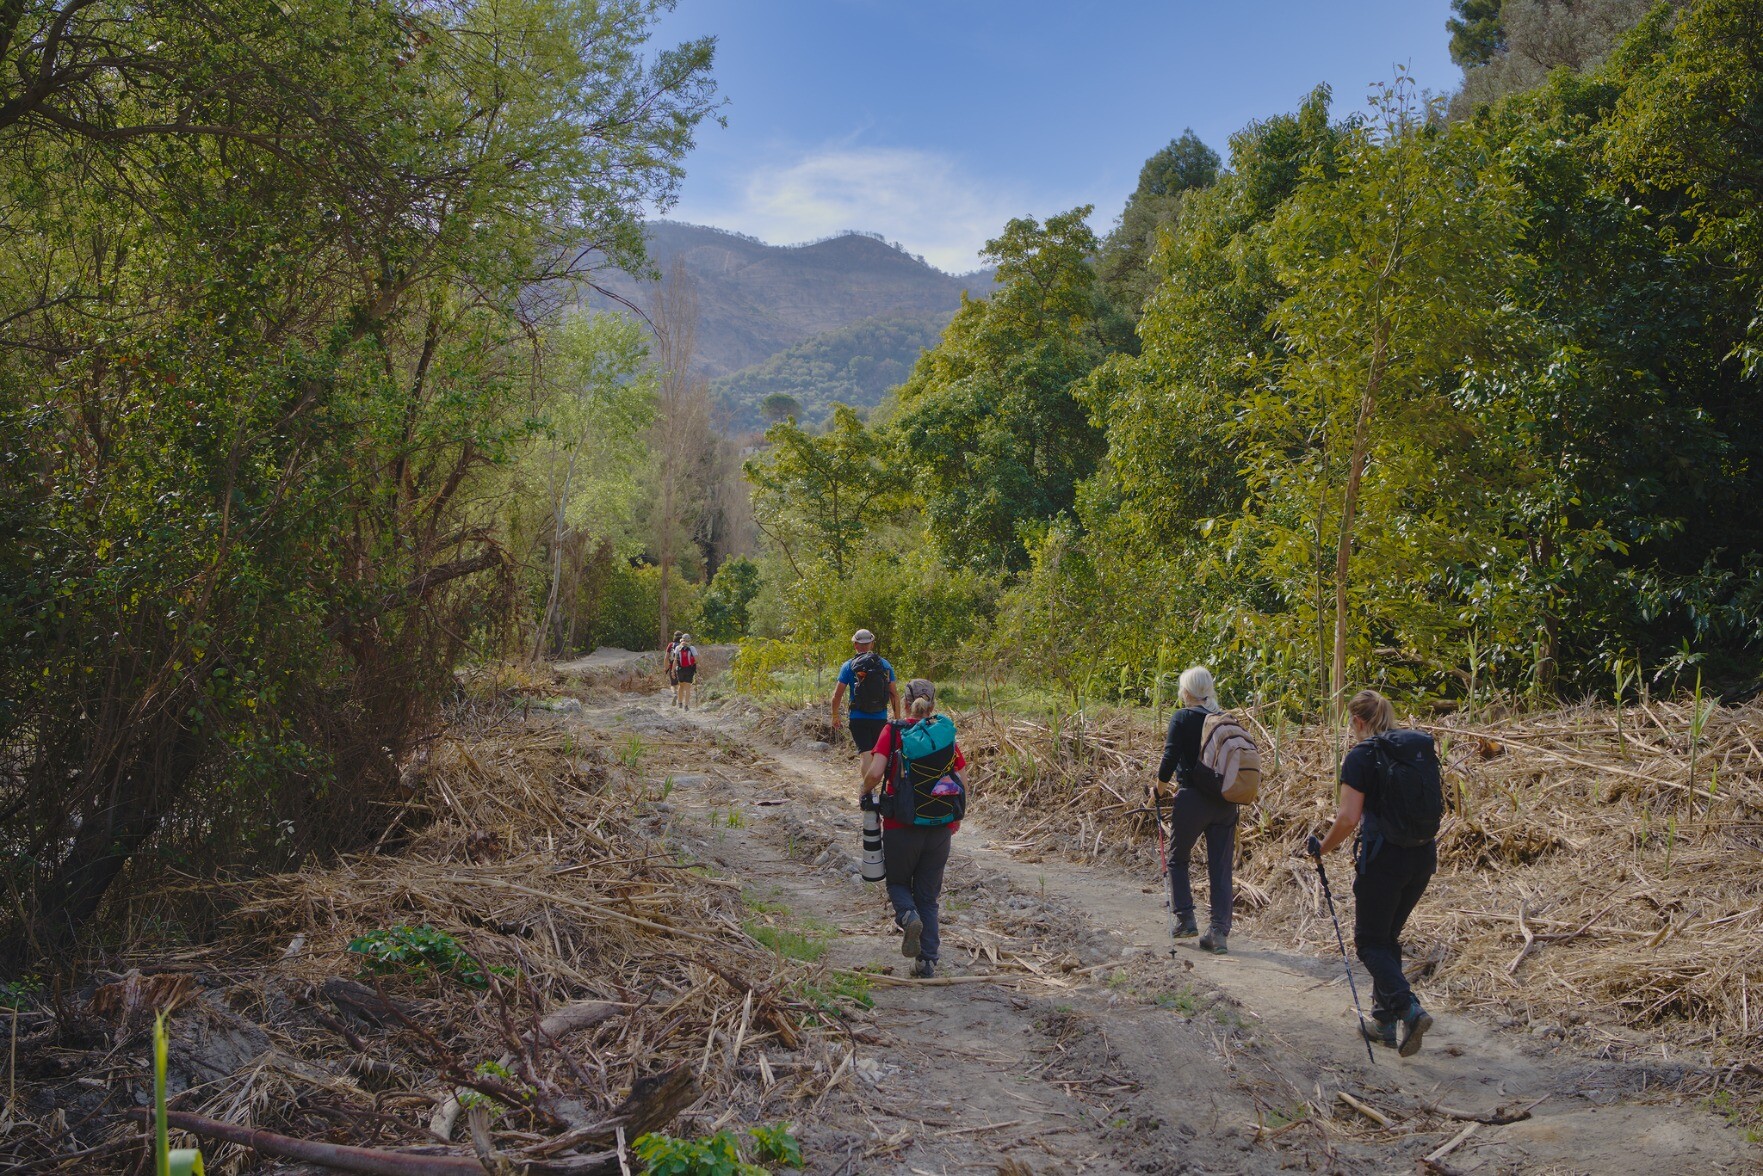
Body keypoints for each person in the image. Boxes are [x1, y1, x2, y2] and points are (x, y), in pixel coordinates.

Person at [1306, 688, 1441, 1057]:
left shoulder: (1362, 757)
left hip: (1384, 861)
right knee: (1387, 938)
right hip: (1422, 855)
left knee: (1369, 942)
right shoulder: (1415, 749)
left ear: (1358, 721)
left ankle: (1409, 1009)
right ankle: (1383, 1021)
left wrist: (1322, 848)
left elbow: (1348, 818)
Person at [861, 679, 965, 979]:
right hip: (940, 825)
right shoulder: (943, 734)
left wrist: (863, 789)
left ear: (905, 703)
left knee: (897, 883)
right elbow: (962, 780)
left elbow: (876, 772)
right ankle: (927, 961)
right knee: (928, 895)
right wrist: (954, 818)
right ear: (933, 704)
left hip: (901, 824)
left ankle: (908, 917)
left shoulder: (893, 730)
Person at [1152, 666, 1236, 953]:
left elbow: (1169, 757)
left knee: (1177, 859)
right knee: (1221, 867)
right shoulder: (1224, 719)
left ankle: (1186, 919)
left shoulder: (1182, 717)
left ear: (1186, 691)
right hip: (1226, 802)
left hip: (1192, 799)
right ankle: (1218, 932)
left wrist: (1158, 791)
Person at [829, 629, 901, 784]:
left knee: (865, 754)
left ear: (855, 645)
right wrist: (897, 719)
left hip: (858, 717)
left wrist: (835, 715)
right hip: (880, 718)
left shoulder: (848, 666)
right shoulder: (885, 665)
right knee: (877, 755)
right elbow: (894, 694)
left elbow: (837, 695)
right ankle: (875, 789)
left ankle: (869, 793)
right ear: (872, 644)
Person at [673, 633, 699, 710]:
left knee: (681, 686)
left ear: (681, 640)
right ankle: (686, 706)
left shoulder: (678, 648)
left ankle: (680, 703)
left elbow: (675, 660)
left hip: (680, 669)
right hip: (689, 669)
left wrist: (672, 671)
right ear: (689, 640)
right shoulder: (692, 648)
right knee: (688, 687)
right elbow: (696, 660)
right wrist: (692, 664)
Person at [664, 631, 683, 702]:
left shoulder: (671, 645)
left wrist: (666, 667)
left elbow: (666, 657)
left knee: (673, 684)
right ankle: (680, 699)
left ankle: (674, 694)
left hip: (672, 666)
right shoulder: (684, 645)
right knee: (681, 684)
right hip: (683, 667)